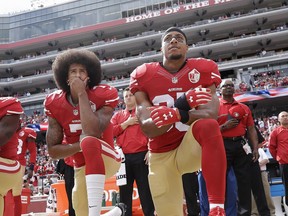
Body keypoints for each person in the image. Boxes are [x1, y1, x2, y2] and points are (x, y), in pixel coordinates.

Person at [129, 27, 227, 216]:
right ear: (161, 49)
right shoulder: (144, 74)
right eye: (168, 39)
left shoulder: (203, 69)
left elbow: (211, 115)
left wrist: (177, 114)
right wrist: (182, 104)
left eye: (179, 38)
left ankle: (217, 207)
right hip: (161, 154)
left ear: (187, 47)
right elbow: (149, 128)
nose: (174, 41)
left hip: (190, 148)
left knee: (208, 126)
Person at [44, 49, 126, 216]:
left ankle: (99, 213)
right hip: (81, 165)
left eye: (82, 71)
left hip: (107, 157)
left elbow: (92, 131)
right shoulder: (54, 103)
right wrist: (78, 146)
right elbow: (53, 151)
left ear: (89, 76)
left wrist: (82, 93)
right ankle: (117, 212)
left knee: (89, 140)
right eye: (73, 71)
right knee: (80, 209)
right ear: (65, 78)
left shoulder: (103, 94)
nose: (78, 75)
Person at [111, 87, 155, 216]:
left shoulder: (144, 112)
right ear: (123, 100)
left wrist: (150, 150)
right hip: (124, 159)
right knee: (124, 193)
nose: (129, 97)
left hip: (142, 156)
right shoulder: (118, 115)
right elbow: (110, 132)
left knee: (145, 192)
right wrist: (126, 123)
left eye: (131, 95)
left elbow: (153, 130)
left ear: (135, 97)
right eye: (126, 96)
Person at [218, 79, 259, 215]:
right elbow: (208, 130)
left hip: (241, 145)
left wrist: (255, 148)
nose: (229, 88)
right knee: (221, 182)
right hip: (222, 145)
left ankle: (245, 213)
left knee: (244, 181)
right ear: (220, 89)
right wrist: (224, 127)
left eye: (231, 85)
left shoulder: (244, 107)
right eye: (225, 86)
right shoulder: (214, 106)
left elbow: (251, 129)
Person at [4, 119, 37, 216]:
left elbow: (33, 151)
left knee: (16, 193)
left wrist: (31, 166)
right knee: (5, 192)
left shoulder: (26, 132)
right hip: (8, 162)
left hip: (19, 164)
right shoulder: (8, 133)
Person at [0, 97, 24, 216]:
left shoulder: (7, 104)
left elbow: (5, 133)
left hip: (9, 163)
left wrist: (31, 165)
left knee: (16, 195)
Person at [269, 111, 288, 206]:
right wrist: (278, 157)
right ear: (279, 119)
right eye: (283, 116)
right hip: (284, 163)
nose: (285, 117)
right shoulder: (275, 132)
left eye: (287, 115)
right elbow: (271, 147)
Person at [251, 142, 275, 216]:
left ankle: (271, 212)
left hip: (262, 173)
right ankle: (254, 213)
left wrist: (255, 166)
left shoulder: (260, 150)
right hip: (251, 174)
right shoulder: (246, 150)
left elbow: (266, 160)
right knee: (252, 195)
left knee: (266, 193)